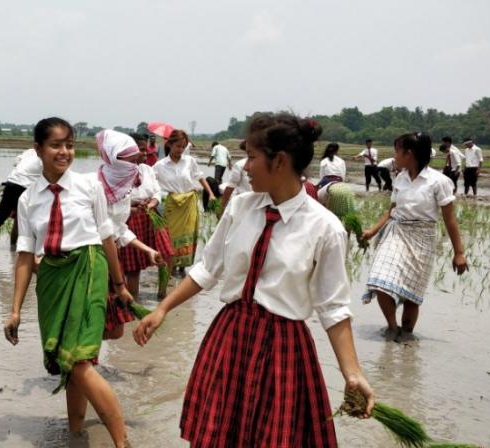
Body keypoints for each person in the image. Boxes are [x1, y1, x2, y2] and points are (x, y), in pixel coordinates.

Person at [133, 114, 374, 446]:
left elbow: (333, 308)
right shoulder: (241, 207)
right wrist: (162, 309)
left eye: (252, 157)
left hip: (282, 348)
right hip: (230, 336)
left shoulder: (325, 228)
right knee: (217, 437)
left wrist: (353, 373)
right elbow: (207, 269)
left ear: (280, 162)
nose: (244, 166)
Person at [3, 118, 129, 447]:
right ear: (38, 150)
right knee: (68, 363)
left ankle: (122, 443)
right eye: (56, 145)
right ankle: (76, 434)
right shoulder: (28, 199)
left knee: (80, 361)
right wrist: (15, 310)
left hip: (89, 272)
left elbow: (107, 239)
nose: (64, 152)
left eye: (69, 145)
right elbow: (26, 257)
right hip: (52, 280)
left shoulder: (91, 186)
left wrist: (120, 285)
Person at [361, 132, 468, 342]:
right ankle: (392, 328)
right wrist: (372, 231)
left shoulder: (439, 182)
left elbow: (450, 220)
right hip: (396, 233)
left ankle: (406, 335)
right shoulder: (400, 178)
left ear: (409, 154)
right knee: (379, 279)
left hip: (422, 239)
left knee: (412, 296)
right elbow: (392, 211)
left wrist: (459, 253)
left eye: (397, 151)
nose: (394, 157)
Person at [94, 129, 162, 339]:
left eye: (136, 160)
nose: (135, 166)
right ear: (114, 159)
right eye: (130, 161)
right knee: (100, 320)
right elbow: (106, 235)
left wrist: (148, 249)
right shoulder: (94, 187)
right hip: (92, 259)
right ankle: (79, 362)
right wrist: (119, 285)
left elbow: (119, 229)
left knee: (114, 329)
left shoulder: (123, 188)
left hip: (111, 257)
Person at [119, 133, 174, 298]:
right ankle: (132, 301)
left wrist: (151, 204)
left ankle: (162, 294)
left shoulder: (147, 169)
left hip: (151, 214)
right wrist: (134, 207)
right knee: (132, 266)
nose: (145, 153)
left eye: (145, 149)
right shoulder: (119, 173)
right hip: (130, 217)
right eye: (141, 150)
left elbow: (157, 191)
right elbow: (115, 202)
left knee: (167, 254)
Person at [153, 130, 215, 277]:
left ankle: (183, 267)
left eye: (183, 146)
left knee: (189, 234)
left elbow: (200, 177)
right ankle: (171, 266)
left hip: (189, 203)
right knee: (172, 236)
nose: (180, 150)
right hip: (171, 205)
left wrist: (211, 194)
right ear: (169, 144)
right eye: (177, 146)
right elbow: (150, 184)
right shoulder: (159, 166)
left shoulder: (189, 161)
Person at [0, 147, 42, 249]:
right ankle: (13, 248)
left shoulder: (30, 151)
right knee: (19, 220)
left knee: (0, 217)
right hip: (24, 188)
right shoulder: (45, 157)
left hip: (11, 183)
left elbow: (15, 162)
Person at [220, 140, 251, 211]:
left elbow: (230, 187)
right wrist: (221, 208)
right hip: (243, 205)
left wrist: (221, 208)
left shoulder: (240, 164)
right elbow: (230, 186)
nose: (247, 167)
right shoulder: (240, 165)